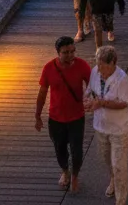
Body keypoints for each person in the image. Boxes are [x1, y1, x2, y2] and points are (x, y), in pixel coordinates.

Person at [35, 36, 92, 193]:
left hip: (77, 117)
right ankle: (65, 171)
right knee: (60, 149)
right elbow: (42, 93)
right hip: (56, 118)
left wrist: (90, 100)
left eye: (72, 51)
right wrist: (37, 116)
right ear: (58, 53)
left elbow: (92, 87)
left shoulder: (82, 65)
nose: (70, 55)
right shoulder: (49, 68)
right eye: (66, 52)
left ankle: (74, 175)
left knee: (77, 150)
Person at [85, 45, 128, 205]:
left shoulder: (122, 79)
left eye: (103, 66)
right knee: (107, 160)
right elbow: (90, 90)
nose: (99, 69)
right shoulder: (95, 72)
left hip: (119, 128)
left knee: (119, 165)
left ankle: (121, 200)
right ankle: (113, 179)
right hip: (101, 126)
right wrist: (87, 100)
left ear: (113, 63)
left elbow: (124, 103)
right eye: (98, 65)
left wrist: (101, 103)